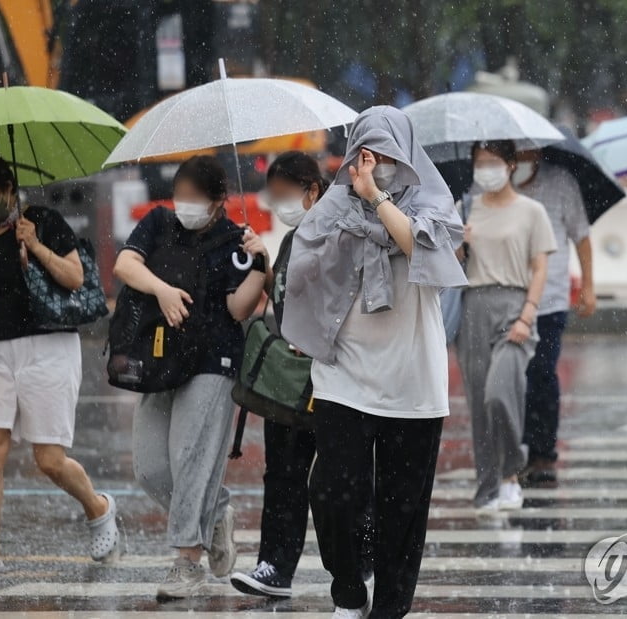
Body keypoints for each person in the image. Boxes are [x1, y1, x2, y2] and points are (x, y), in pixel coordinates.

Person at [282, 106, 467, 619]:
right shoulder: (333, 205)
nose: (376, 162)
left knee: (403, 506)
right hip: (345, 372)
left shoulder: (433, 200)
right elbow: (304, 274)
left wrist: (377, 200)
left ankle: (390, 607)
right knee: (332, 490)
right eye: (367, 152)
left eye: (386, 152)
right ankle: (348, 588)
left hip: (412, 377)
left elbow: (424, 252)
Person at [113, 155, 269, 600]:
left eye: (195, 199)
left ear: (219, 201)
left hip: (213, 359)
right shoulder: (159, 222)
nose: (185, 205)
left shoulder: (233, 240)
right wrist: (160, 289)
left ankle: (186, 561)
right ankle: (217, 512)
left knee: (189, 458)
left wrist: (260, 265)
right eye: (181, 195)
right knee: (150, 468)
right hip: (160, 357)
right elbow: (126, 265)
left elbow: (239, 309)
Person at [0, 151, 118, 574]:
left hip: (48, 347)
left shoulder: (44, 221)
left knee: (48, 459)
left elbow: (75, 277)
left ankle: (98, 508)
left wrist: (35, 245)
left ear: (7, 188)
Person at [230, 151, 373, 598]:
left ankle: (363, 561)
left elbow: (347, 300)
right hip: (292, 378)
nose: (279, 204)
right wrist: (264, 262)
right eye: (272, 197)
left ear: (313, 189)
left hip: (337, 375)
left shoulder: (341, 233)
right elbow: (285, 295)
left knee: (339, 477)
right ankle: (275, 566)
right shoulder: (293, 238)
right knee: (283, 472)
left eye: (285, 195)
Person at [457, 140, 557, 512]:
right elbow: (447, 266)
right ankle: (487, 487)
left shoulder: (532, 211)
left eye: (493, 162)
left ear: (511, 165)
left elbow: (540, 267)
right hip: (473, 306)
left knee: (499, 394)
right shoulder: (464, 208)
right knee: (479, 405)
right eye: (479, 163)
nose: (486, 169)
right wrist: (458, 245)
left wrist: (528, 314)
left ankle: (512, 469)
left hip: (515, 305)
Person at [513, 149, 594, 487]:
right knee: (506, 381)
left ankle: (543, 453)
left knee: (542, 374)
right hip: (503, 300)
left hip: (549, 299)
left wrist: (588, 285)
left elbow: (581, 235)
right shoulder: (488, 184)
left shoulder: (561, 182)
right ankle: (513, 453)